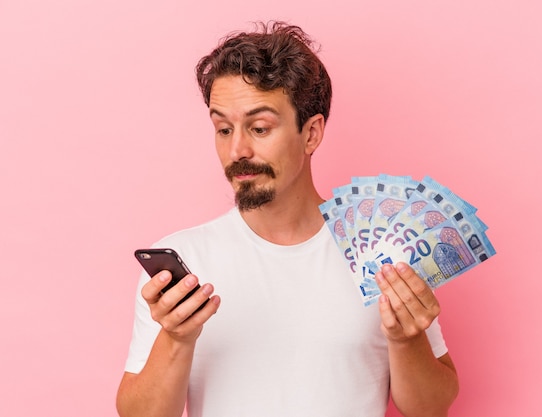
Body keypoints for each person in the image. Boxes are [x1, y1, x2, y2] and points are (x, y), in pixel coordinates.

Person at [116, 21, 459, 417]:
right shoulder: (183, 264)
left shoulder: (380, 254)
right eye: (223, 129)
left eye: (259, 128)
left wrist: (405, 341)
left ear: (311, 134)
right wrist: (176, 338)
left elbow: (431, 408)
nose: (237, 149)